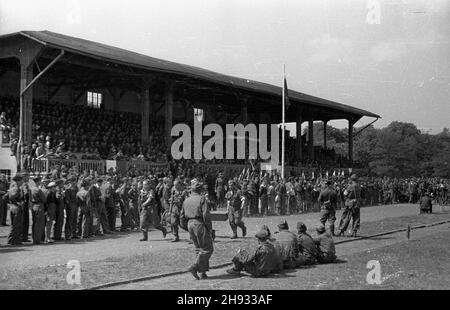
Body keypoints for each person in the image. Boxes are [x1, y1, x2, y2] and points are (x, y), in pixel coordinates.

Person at [180, 179, 214, 280]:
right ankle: (194, 266)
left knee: (199, 249)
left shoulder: (186, 200)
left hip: (190, 224)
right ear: (200, 190)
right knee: (207, 249)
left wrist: (186, 227)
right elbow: (206, 215)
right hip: (199, 223)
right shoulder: (202, 199)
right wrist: (209, 228)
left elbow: (181, 217)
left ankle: (203, 273)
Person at [7, 174, 25, 245]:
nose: (22, 182)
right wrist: (18, 203)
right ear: (18, 181)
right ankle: (15, 240)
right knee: (17, 224)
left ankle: (11, 240)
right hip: (16, 207)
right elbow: (11, 197)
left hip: (13, 206)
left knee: (14, 224)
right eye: (21, 180)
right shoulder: (16, 188)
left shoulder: (13, 187)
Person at [29, 176, 46, 244]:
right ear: (38, 181)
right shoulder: (38, 190)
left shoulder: (31, 189)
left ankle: (34, 238)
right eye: (40, 181)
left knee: (34, 223)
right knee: (39, 224)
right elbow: (44, 199)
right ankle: (37, 239)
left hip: (33, 206)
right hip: (39, 206)